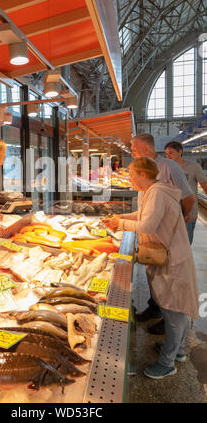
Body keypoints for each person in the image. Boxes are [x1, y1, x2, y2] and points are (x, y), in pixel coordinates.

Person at [104, 157, 199, 379]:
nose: (129, 179)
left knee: (174, 310)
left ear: (143, 174)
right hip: (169, 255)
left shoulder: (156, 192)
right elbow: (143, 216)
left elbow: (147, 225)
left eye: (131, 175)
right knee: (174, 307)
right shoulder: (154, 190)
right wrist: (121, 217)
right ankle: (178, 351)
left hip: (172, 259)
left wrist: (121, 224)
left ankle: (168, 363)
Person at [130, 133, 195, 334]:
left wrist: (178, 220)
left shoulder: (169, 168)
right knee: (156, 275)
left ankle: (169, 323)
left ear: (146, 149)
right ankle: (156, 308)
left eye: (133, 149)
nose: (131, 153)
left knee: (170, 281)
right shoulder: (144, 172)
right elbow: (145, 212)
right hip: (153, 236)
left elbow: (189, 198)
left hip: (167, 235)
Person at [164, 140, 207, 244]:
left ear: (180, 152)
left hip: (189, 212)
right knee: (171, 244)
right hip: (170, 211)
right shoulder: (166, 167)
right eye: (166, 154)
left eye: (171, 153)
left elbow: (205, 185)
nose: (168, 156)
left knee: (185, 244)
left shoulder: (193, 167)